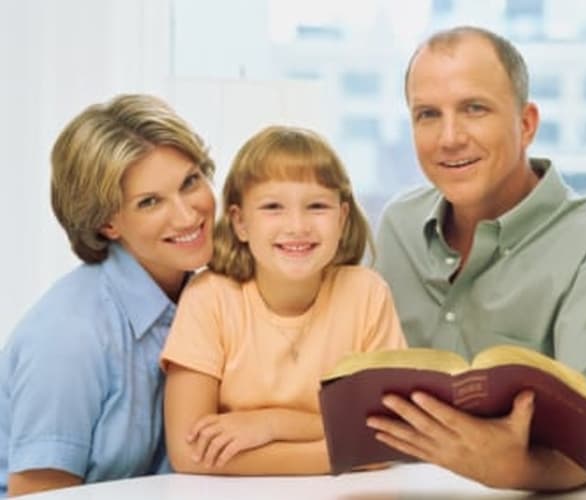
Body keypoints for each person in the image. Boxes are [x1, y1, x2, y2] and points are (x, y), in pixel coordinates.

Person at [368, 26, 586, 491]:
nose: (449, 138)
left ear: (526, 123)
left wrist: (515, 470)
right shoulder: (396, 226)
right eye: (427, 115)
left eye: (473, 109)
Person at [0, 94, 216, 496]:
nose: (188, 215)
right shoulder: (69, 337)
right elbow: (37, 496)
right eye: (150, 202)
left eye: (191, 181)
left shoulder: (207, 298)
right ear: (106, 223)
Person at [161, 125, 406, 475]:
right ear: (240, 222)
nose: (297, 226)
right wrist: (344, 448)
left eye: (317, 206)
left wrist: (270, 424)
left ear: (342, 217)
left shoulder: (367, 293)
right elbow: (189, 452)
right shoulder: (210, 297)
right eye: (273, 207)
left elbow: (388, 435)